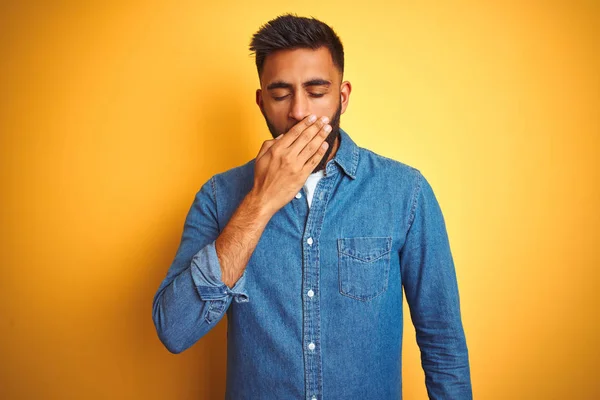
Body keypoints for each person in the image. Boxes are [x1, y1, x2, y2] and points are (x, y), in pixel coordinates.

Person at [152, 14, 472, 399]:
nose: (299, 112)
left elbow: (444, 345)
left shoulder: (406, 193)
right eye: (281, 93)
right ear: (261, 101)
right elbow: (174, 330)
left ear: (343, 96)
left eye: (317, 91)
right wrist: (261, 202)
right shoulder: (220, 197)